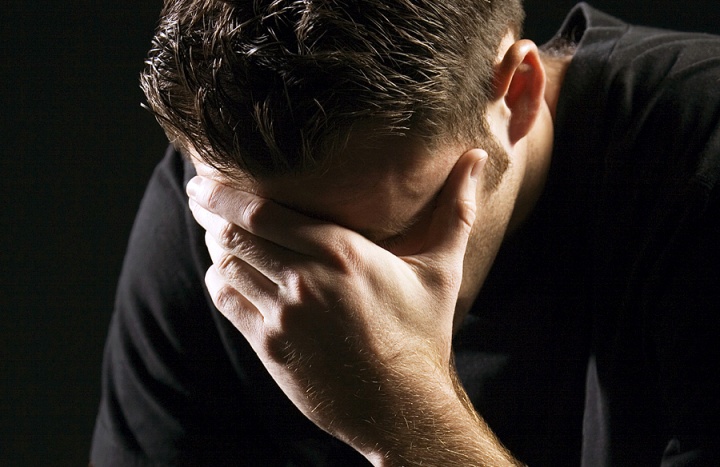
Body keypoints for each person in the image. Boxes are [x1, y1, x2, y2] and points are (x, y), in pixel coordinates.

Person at [90, 0, 720, 465]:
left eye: (385, 236)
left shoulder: (699, 160)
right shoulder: (221, 210)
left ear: (518, 95)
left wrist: (408, 412)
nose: (332, 289)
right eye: (281, 249)